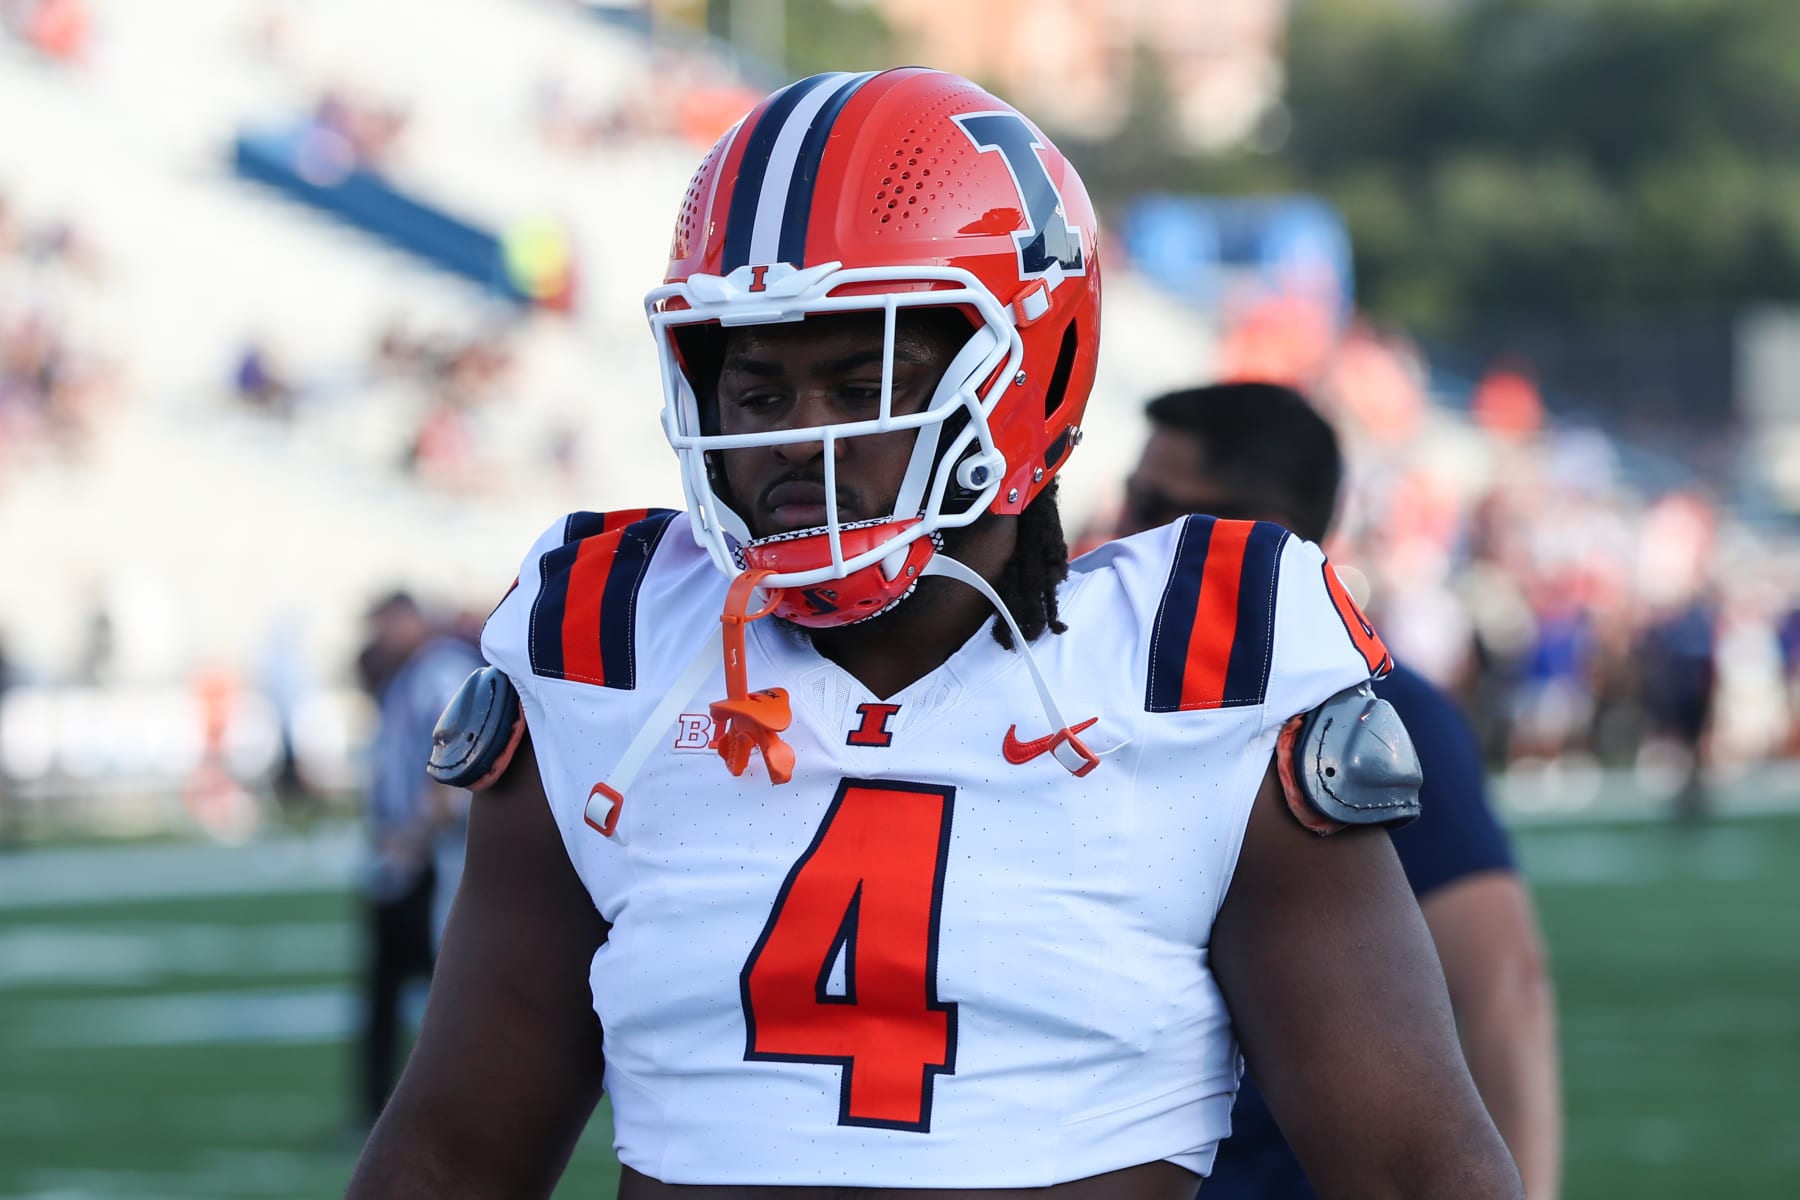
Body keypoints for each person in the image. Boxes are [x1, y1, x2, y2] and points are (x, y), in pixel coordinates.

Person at [348, 67, 1521, 1199]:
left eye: (865, 383)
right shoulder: (605, 658)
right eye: (760, 394)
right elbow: (450, 1159)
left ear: (1028, 370)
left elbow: (1418, 1174)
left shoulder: (1197, 672)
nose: (798, 444)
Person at [1114, 381, 1562, 1200]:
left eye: (1151, 506)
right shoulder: (1072, 688)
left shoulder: (1371, 716)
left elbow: (1504, 980)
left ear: (1251, 537)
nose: (1119, 531)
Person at [353, 590, 482, 1128]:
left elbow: (457, 756)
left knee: (448, 986)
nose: (376, 638)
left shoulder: (440, 671)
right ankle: (380, 1106)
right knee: (388, 990)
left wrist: (416, 833)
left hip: (435, 853)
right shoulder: (409, 674)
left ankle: (458, 1103)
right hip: (407, 848)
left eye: (384, 625)